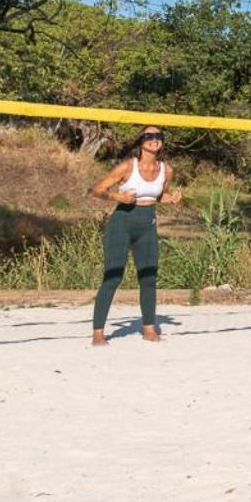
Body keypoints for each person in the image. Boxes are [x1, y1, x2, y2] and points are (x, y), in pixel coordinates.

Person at [88, 125, 179, 345]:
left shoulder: (167, 170)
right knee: (113, 277)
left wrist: (170, 198)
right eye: (149, 136)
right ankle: (98, 333)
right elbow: (97, 190)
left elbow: (159, 196)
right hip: (122, 222)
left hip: (147, 224)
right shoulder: (128, 166)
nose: (154, 139)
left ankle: (149, 329)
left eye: (158, 136)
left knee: (148, 278)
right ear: (141, 142)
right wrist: (120, 198)